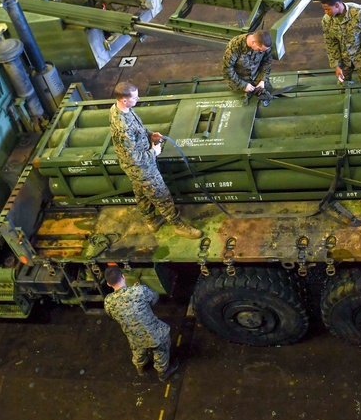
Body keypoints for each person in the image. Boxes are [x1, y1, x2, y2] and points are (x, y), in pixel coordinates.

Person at [110, 81, 203, 238]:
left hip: (134, 168)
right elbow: (135, 158)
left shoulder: (119, 109)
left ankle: (151, 222)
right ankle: (178, 225)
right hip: (142, 168)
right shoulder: (122, 127)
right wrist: (154, 152)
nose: (138, 99)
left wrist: (149, 134)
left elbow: (137, 129)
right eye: (135, 97)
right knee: (161, 195)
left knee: (142, 193)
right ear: (124, 99)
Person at [103, 266, 180, 382]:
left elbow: (113, 315)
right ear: (123, 276)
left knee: (138, 349)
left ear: (109, 284)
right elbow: (154, 298)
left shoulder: (108, 302)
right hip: (153, 334)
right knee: (162, 346)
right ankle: (163, 372)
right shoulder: (139, 291)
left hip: (134, 336)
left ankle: (140, 367)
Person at [320, 0, 361, 85]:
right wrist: (337, 66)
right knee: (342, 87)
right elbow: (331, 44)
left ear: (336, 5)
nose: (326, 12)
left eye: (328, 9)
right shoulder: (326, 21)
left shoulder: (359, 12)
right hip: (344, 59)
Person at [223, 30, 274, 105]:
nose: (261, 52)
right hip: (239, 81)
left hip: (257, 77)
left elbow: (267, 62)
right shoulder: (235, 46)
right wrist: (243, 85)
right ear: (253, 42)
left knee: (269, 97)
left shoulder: (264, 45)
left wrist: (263, 79)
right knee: (243, 106)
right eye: (259, 50)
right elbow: (227, 70)